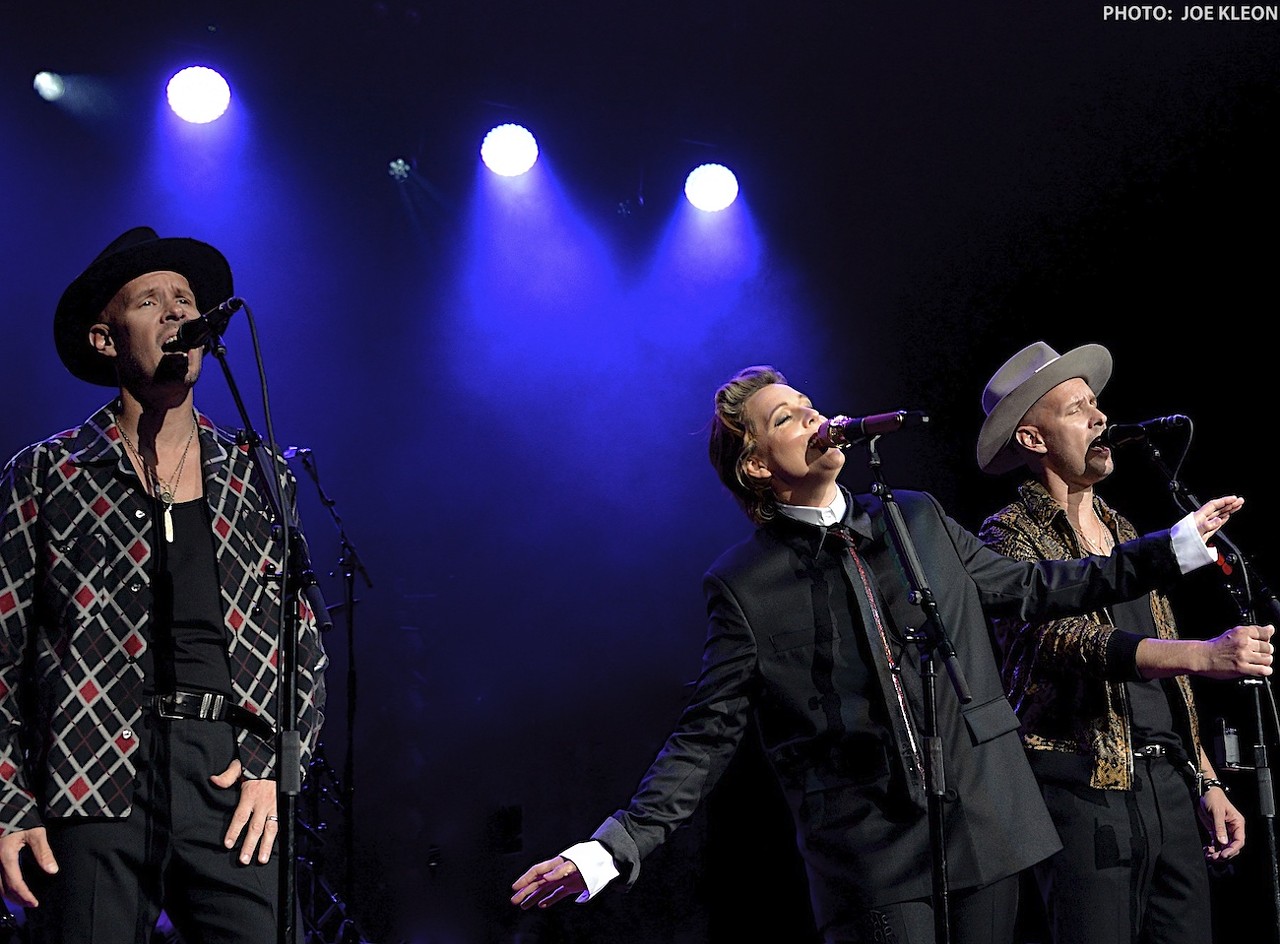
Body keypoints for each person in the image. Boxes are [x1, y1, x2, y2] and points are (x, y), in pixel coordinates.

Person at [511, 363, 1246, 944]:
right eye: (784, 419)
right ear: (759, 467)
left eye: (808, 405)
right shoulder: (743, 584)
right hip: (873, 852)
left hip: (987, 825)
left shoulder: (915, 518)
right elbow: (705, 738)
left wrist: (1173, 547)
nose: (813, 418)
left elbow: (1039, 588)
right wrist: (611, 849)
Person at [0, 227, 329, 943]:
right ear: (104, 339)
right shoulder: (48, 474)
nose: (178, 312)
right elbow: (0, 656)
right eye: (151, 301)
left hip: (227, 775)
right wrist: (9, 804)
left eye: (185, 299)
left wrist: (275, 767)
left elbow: (302, 642)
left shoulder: (257, 472)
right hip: (91, 771)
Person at [974, 340, 1273, 944]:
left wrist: (1207, 779)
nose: (1099, 418)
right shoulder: (1008, 536)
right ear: (1034, 440)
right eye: (1076, 408)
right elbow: (1064, 642)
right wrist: (1205, 654)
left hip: (1168, 783)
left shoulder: (1124, 530)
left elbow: (1166, 674)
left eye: (1096, 403)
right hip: (1082, 786)